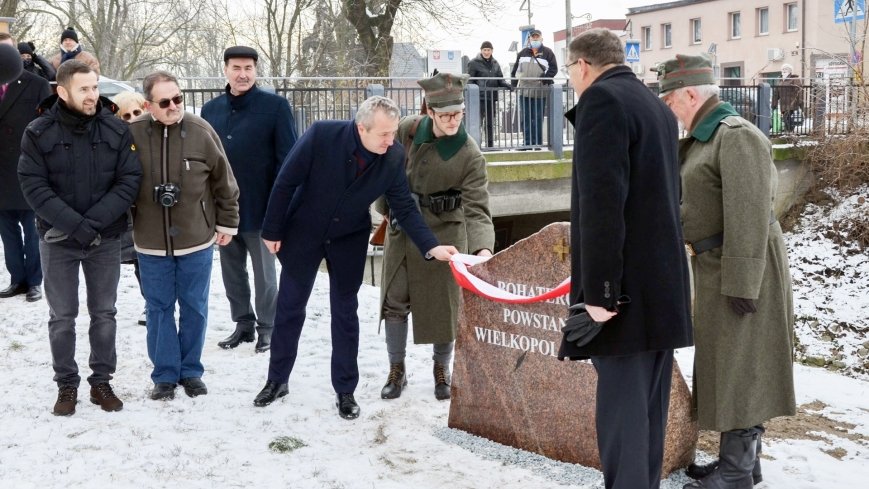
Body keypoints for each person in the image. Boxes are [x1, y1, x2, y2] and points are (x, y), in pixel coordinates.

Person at [252, 95, 458, 419]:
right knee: (290, 307)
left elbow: (403, 205)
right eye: (384, 134)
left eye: (393, 133)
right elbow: (285, 181)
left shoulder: (392, 157)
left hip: (348, 238)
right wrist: (272, 230)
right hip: (304, 232)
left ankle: (345, 390)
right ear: (361, 128)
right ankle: (277, 380)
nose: (392, 141)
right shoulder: (321, 136)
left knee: (345, 314)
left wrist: (431, 246)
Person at [557, 29, 693, 489]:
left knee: (622, 417)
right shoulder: (654, 105)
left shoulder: (602, 102)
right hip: (661, 288)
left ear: (581, 66)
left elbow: (601, 206)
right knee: (648, 414)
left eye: (570, 72)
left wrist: (601, 295)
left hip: (624, 296)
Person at [657, 53, 796, 489]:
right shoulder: (706, 138)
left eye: (671, 101)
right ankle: (741, 464)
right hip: (718, 265)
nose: (669, 109)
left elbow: (751, 215)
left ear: (692, 94)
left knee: (742, 365)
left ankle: (736, 473)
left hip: (743, 267)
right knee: (729, 364)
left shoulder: (735, 136)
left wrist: (742, 281)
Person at [18, 60, 141, 416]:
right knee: (63, 315)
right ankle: (66, 384)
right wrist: (75, 225)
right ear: (62, 91)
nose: (92, 95)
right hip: (57, 239)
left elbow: (129, 180)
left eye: (94, 87)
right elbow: (33, 186)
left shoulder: (116, 130)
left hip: (106, 238)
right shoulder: (38, 132)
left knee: (104, 313)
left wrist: (95, 223)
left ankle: (101, 380)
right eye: (84, 89)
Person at [376, 72, 494, 401]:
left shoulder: (470, 154)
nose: (452, 120)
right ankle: (396, 369)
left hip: (448, 233)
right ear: (430, 112)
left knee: (446, 306)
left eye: (457, 114)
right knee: (394, 300)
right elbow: (387, 168)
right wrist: (384, 208)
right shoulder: (408, 130)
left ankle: (442, 368)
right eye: (445, 115)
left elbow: (477, 208)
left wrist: (483, 249)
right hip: (404, 228)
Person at [127, 71, 240, 401]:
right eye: (165, 102)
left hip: (196, 238)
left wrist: (227, 224)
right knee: (158, 308)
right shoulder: (132, 134)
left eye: (178, 98)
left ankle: (191, 370)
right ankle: (164, 373)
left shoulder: (201, 131)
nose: (174, 106)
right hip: (150, 241)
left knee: (194, 306)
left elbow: (225, 182)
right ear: (148, 105)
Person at [202, 46, 297, 354]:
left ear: (256, 71)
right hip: (223, 209)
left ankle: (268, 327)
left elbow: (288, 160)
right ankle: (243, 324)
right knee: (232, 270)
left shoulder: (275, 106)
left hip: (263, 205)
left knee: (265, 274)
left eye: (248, 68)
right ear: (226, 70)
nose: (243, 74)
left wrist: (281, 208)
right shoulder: (211, 110)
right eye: (236, 68)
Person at [0, 33, 51, 303]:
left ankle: (34, 281)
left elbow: (48, 126)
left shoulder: (37, 84)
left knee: (32, 232)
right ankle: (17, 280)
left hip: (27, 170)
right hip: (0, 175)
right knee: (7, 234)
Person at [112, 90, 148, 326]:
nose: (133, 118)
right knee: (137, 262)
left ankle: (152, 302)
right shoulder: (115, 141)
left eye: (136, 112)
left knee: (147, 263)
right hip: (126, 211)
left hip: (149, 209)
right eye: (126, 115)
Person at [510, 29, 557, 148]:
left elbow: (554, 68)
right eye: (533, 37)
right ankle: (526, 143)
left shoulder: (548, 52)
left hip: (539, 90)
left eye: (537, 37)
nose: (535, 39)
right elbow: (515, 70)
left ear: (541, 39)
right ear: (529, 39)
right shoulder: (522, 53)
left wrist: (545, 78)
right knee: (525, 118)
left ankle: (537, 143)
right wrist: (513, 85)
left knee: (537, 118)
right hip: (524, 90)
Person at [467, 41, 511, 148]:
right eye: (484, 50)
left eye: (488, 50)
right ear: (481, 51)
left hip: (491, 97)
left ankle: (490, 145)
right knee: (478, 123)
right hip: (479, 98)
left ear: (492, 51)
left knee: (490, 122)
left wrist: (508, 85)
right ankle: (476, 145)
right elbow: (470, 81)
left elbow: (500, 79)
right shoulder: (474, 63)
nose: (486, 52)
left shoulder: (495, 63)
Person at [772, 63, 803, 132]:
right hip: (783, 104)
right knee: (786, 119)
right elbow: (776, 93)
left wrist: (800, 102)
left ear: (790, 71)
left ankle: (789, 132)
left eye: (786, 69)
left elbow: (799, 91)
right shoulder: (780, 79)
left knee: (788, 118)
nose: (784, 71)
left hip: (792, 103)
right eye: (782, 69)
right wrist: (774, 103)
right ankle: (789, 132)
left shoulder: (794, 79)